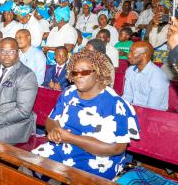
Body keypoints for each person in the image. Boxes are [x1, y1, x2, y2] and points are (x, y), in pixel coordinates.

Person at [31, 49, 140, 181]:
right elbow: (51, 119)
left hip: (98, 159)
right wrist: (54, 130)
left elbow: (117, 148)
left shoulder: (115, 104)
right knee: (28, 168)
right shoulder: (68, 93)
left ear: (98, 72)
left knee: (61, 178)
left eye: (85, 72)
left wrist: (70, 138)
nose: (78, 76)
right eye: (75, 72)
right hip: (63, 148)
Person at [123, 41, 169, 110]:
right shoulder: (130, 70)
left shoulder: (157, 76)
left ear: (144, 55)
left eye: (132, 52)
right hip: (135, 111)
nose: (128, 55)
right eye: (129, 51)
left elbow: (152, 107)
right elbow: (127, 96)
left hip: (154, 116)